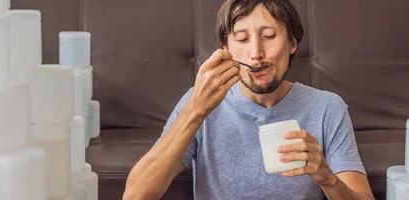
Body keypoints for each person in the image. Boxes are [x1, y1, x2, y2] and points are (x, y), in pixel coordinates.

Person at [123, 0, 373, 199]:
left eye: (268, 35)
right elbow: (136, 195)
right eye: (242, 39)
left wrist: (328, 179)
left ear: (292, 42)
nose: (256, 54)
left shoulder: (327, 107)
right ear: (226, 48)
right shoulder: (198, 102)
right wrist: (196, 110)